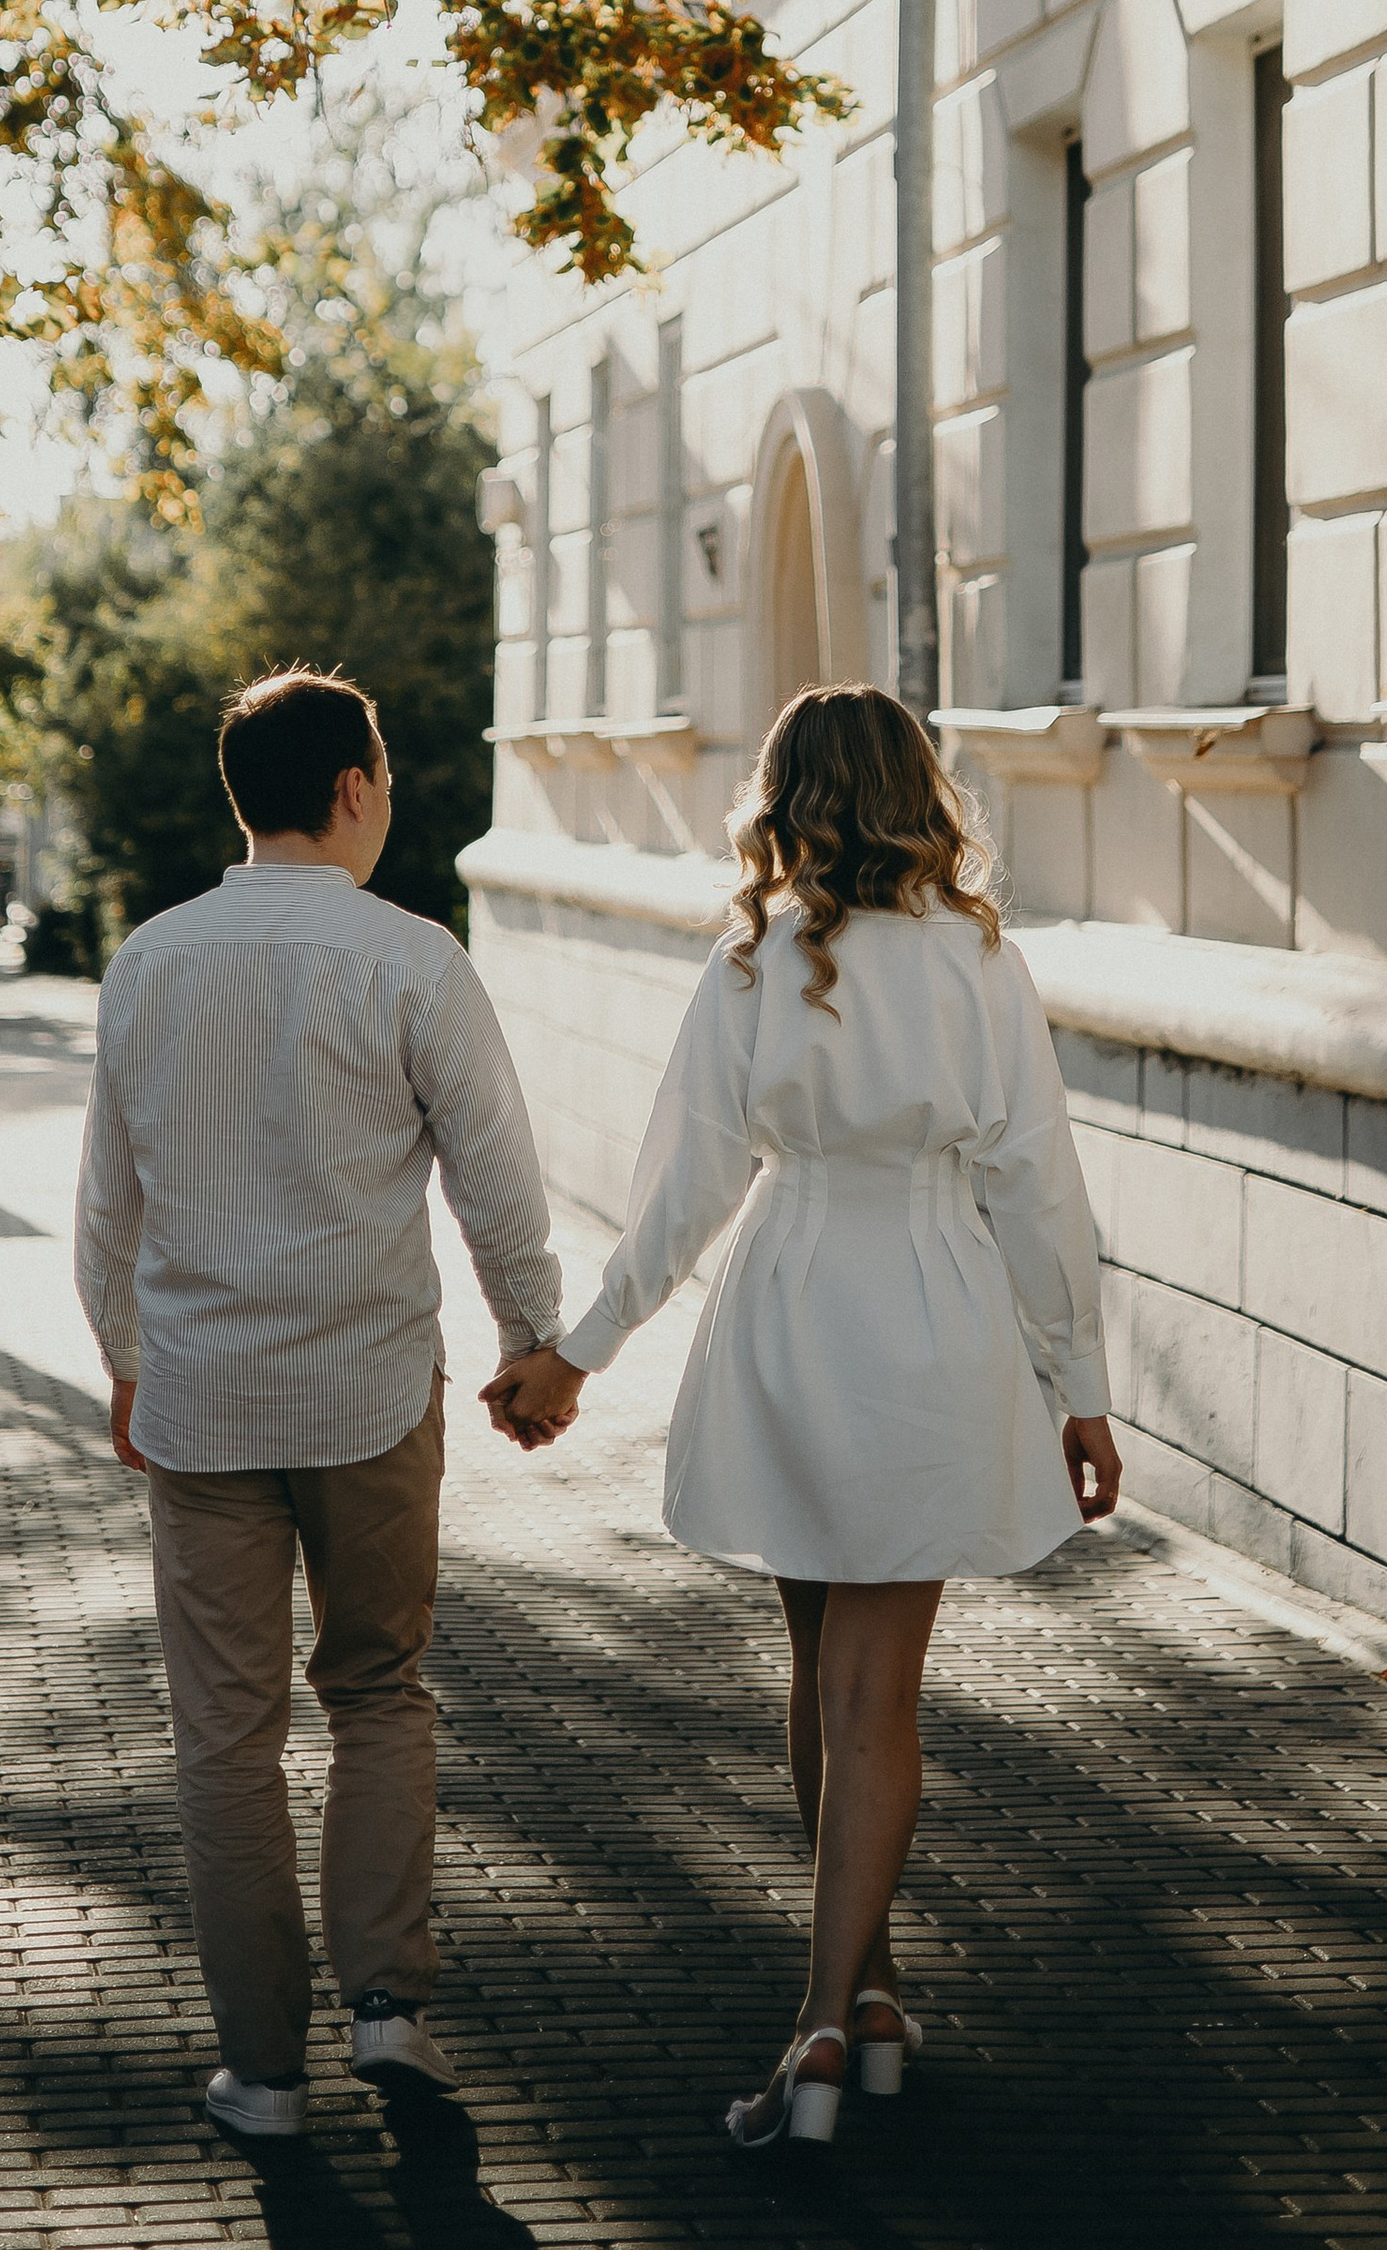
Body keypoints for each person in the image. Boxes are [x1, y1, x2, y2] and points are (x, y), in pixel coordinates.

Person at [483, 683, 1120, 2153]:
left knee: (817, 1671)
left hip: (787, 1306)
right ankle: (839, 2014)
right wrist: (1080, 1388)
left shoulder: (756, 958)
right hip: (932, 1311)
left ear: (786, 799)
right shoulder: (980, 959)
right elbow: (1037, 1185)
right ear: (920, 793)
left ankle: (856, 1996)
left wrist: (581, 1351)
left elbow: (686, 1183)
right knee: (872, 1692)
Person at [73, 666, 566, 2144]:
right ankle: (390, 2009)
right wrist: (534, 1338)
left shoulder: (151, 961)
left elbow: (109, 1206)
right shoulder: (412, 960)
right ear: (351, 790)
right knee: (378, 1694)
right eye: (391, 780)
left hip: (205, 1405)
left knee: (225, 1742)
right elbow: (496, 1170)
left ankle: (265, 2078)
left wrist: (125, 1361)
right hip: (366, 1394)